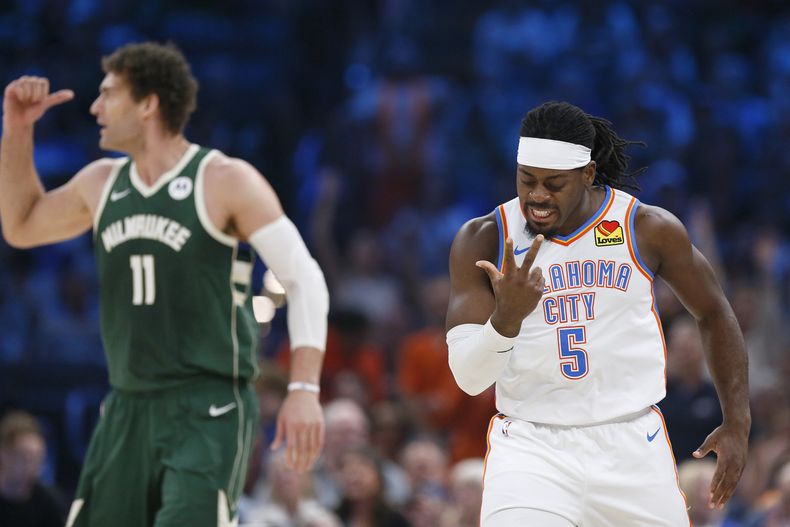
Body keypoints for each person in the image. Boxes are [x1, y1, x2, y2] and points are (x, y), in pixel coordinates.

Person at [0, 42, 329, 526]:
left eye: (109, 94)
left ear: (148, 103)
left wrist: (304, 388)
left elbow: (305, 279)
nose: (95, 107)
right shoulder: (101, 183)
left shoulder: (224, 180)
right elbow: (22, 226)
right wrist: (18, 131)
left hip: (207, 403)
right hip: (128, 404)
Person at [446, 101, 750, 526]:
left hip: (631, 442)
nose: (537, 196)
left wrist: (737, 420)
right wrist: (505, 321)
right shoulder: (483, 239)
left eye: (554, 184)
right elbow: (469, 377)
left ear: (587, 174)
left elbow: (715, 313)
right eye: (527, 180)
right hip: (532, 450)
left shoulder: (644, 227)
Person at [0, 410, 66, 527]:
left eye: (38, 458)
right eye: (25, 458)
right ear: (3, 454)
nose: (33, 467)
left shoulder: (50, 502)